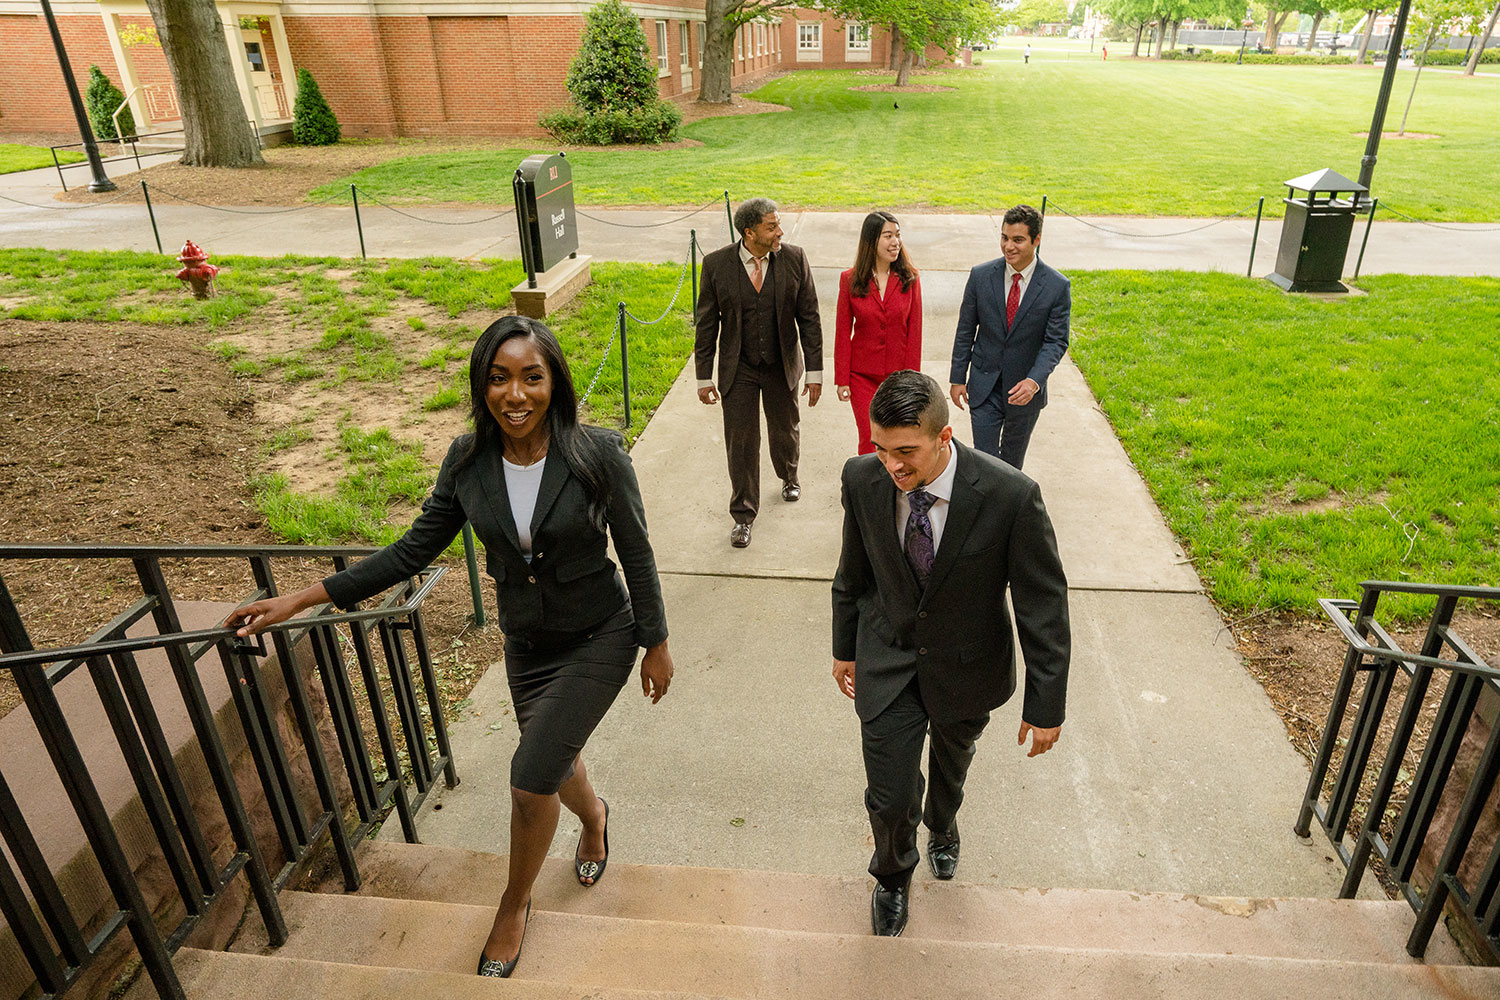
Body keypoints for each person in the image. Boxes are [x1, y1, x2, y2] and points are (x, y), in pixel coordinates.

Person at [226, 316, 674, 979]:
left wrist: (655, 642)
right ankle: (596, 816)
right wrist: (301, 598)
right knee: (555, 759)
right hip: (526, 643)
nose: (515, 394)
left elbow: (635, 551)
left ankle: (513, 904)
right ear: (482, 386)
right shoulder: (468, 462)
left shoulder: (597, 453)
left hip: (600, 635)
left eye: (531, 377)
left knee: (528, 781)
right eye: (499, 379)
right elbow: (412, 550)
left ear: (554, 382)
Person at [831, 370, 1070, 937]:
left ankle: (942, 823)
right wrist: (845, 647)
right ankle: (892, 876)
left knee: (950, 767)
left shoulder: (1011, 495)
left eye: (906, 451)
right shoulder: (862, 480)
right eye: (881, 449)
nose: (892, 465)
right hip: (887, 658)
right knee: (888, 793)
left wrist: (1046, 704)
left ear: (944, 437)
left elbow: (1043, 604)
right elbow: (853, 571)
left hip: (968, 665)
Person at [695, 196, 823, 548]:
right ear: (750, 232)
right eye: (772, 226)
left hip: (782, 364)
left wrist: (814, 371)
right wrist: (703, 376)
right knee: (741, 442)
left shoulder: (794, 259)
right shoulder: (716, 265)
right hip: (739, 368)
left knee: (785, 429)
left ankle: (788, 474)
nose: (780, 231)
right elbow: (706, 325)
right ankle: (743, 515)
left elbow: (809, 318)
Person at [949, 203, 1071, 470]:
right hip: (983, 386)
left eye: (1018, 240)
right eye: (1004, 238)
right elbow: (966, 329)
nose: (1008, 247)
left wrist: (1034, 381)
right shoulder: (981, 276)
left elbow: (1056, 341)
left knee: (1012, 468)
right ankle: (990, 512)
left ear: (1036, 240)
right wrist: (958, 377)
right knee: (986, 462)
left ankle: (1007, 511)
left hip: (1024, 393)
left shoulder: (1056, 286)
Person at [834, 211, 923, 455]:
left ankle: (893, 490)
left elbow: (914, 335)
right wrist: (842, 378)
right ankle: (868, 491)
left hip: (898, 378)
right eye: (888, 236)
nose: (895, 242)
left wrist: (911, 381)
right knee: (869, 439)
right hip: (861, 377)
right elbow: (842, 332)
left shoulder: (911, 278)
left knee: (897, 440)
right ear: (871, 240)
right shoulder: (849, 280)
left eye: (898, 235)